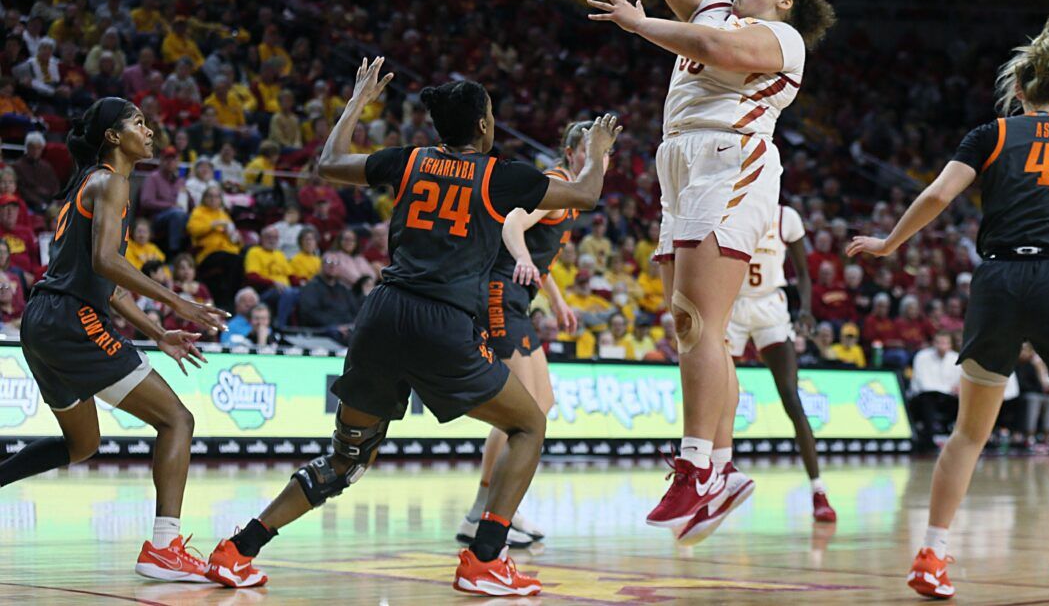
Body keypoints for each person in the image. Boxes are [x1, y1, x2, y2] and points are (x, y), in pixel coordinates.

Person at [204, 60, 619, 596]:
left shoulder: (412, 160)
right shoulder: (500, 174)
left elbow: (328, 163)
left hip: (381, 314)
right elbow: (585, 197)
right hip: (443, 323)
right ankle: (486, 557)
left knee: (346, 458)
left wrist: (357, 102)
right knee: (529, 425)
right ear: (485, 127)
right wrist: (602, 150)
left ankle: (239, 548)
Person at [587, 0, 837, 536]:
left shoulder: (781, 39)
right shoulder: (716, 7)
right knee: (698, 326)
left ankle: (699, 465)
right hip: (686, 160)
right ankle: (718, 469)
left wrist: (640, 25)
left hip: (731, 159)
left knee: (701, 321)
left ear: (785, 0)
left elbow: (711, 46)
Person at [846, 17, 1049, 604]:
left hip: (996, 278)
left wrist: (890, 243)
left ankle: (932, 555)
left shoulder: (989, 135)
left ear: (1018, 90)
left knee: (969, 433)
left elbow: (939, 195)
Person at [3, 98, 224, 581]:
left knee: (81, 444)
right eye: (139, 123)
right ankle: (165, 547)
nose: (149, 131)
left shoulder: (89, 183)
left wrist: (158, 330)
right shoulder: (113, 181)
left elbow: (112, 285)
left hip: (41, 321)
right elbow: (107, 261)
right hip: (70, 318)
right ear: (113, 136)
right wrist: (179, 301)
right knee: (177, 421)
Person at [458, 121, 596, 548]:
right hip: (501, 292)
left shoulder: (571, 197)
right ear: (572, 153)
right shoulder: (554, 184)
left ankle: (485, 509)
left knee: (542, 405)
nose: (600, 161)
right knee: (519, 413)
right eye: (593, 152)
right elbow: (514, 223)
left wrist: (556, 300)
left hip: (519, 299)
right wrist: (520, 257)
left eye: (606, 155)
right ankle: (490, 511)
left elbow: (543, 255)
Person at [708, 203, 833, 545]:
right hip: (733, 305)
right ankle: (710, 480)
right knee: (716, 395)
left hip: (770, 308)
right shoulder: (731, 207)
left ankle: (818, 491)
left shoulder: (787, 216)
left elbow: (803, 274)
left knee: (791, 398)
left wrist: (805, 309)